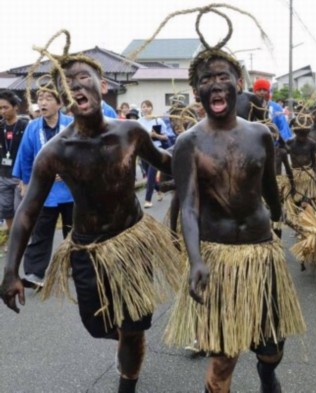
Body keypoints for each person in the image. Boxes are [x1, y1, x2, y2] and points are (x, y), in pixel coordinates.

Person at [0, 51, 182, 393]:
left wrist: (197, 150)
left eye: (82, 77)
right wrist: (10, 271)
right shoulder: (55, 151)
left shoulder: (130, 133)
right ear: (64, 101)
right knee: (96, 324)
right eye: (66, 84)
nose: (75, 86)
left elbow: (167, 162)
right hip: (88, 249)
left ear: (101, 85)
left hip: (134, 240)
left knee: (132, 327)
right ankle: (127, 340)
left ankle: (128, 376)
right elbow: (26, 212)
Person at [164, 46, 305, 393]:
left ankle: (267, 374)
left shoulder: (260, 134)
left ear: (237, 83)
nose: (215, 84)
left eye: (222, 76)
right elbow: (189, 207)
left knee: (272, 348)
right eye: (206, 79)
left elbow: (270, 188)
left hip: (261, 252)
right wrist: (194, 259)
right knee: (223, 358)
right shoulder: (188, 142)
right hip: (218, 258)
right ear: (197, 91)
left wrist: (283, 221)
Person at [13, 87, 73, 288]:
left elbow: (83, 156)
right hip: (44, 192)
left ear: (60, 104)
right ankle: (34, 274)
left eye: (48, 98)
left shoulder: (72, 125)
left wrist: (66, 171)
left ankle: (77, 264)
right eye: (40, 99)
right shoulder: (32, 127)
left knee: (74, 231)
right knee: (40, 232)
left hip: (72, 190)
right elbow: (26, 157)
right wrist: (26, 184)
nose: (43, 103)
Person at [0, 90, 28, 248]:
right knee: (6, 209)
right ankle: (13, 239)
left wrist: (26, 178)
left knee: (20, 210)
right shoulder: (1, 126)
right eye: (0, 108)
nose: (3, 111)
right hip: (3, 174)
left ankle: (22, 239)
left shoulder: (25, 126)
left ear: (15, 107)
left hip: (19, 176)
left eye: (5, 107)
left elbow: (30, 152)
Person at [137, 99, 168, 208]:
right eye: (143, 106)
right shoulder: (139, 121)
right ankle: (159, 190)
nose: (145, 108)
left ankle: (148, 199)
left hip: (156, 150)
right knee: (149, 174)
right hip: (143, 150)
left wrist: (156, 135)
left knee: (150, 175)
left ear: (151, 108)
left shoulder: (158, 121)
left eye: (147, 106)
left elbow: (166, 136)